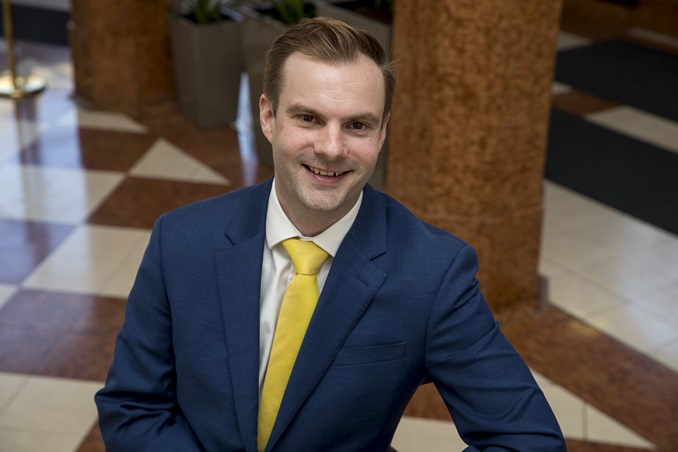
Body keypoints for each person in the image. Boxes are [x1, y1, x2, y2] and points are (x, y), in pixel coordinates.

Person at [95, 17, 565, 451]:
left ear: (382, 132)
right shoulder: (181, 240)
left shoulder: (434, 273)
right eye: (309, 118)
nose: (332, 148)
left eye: (357, 125)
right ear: (268, 117)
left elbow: (530, 440)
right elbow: (132, 408)